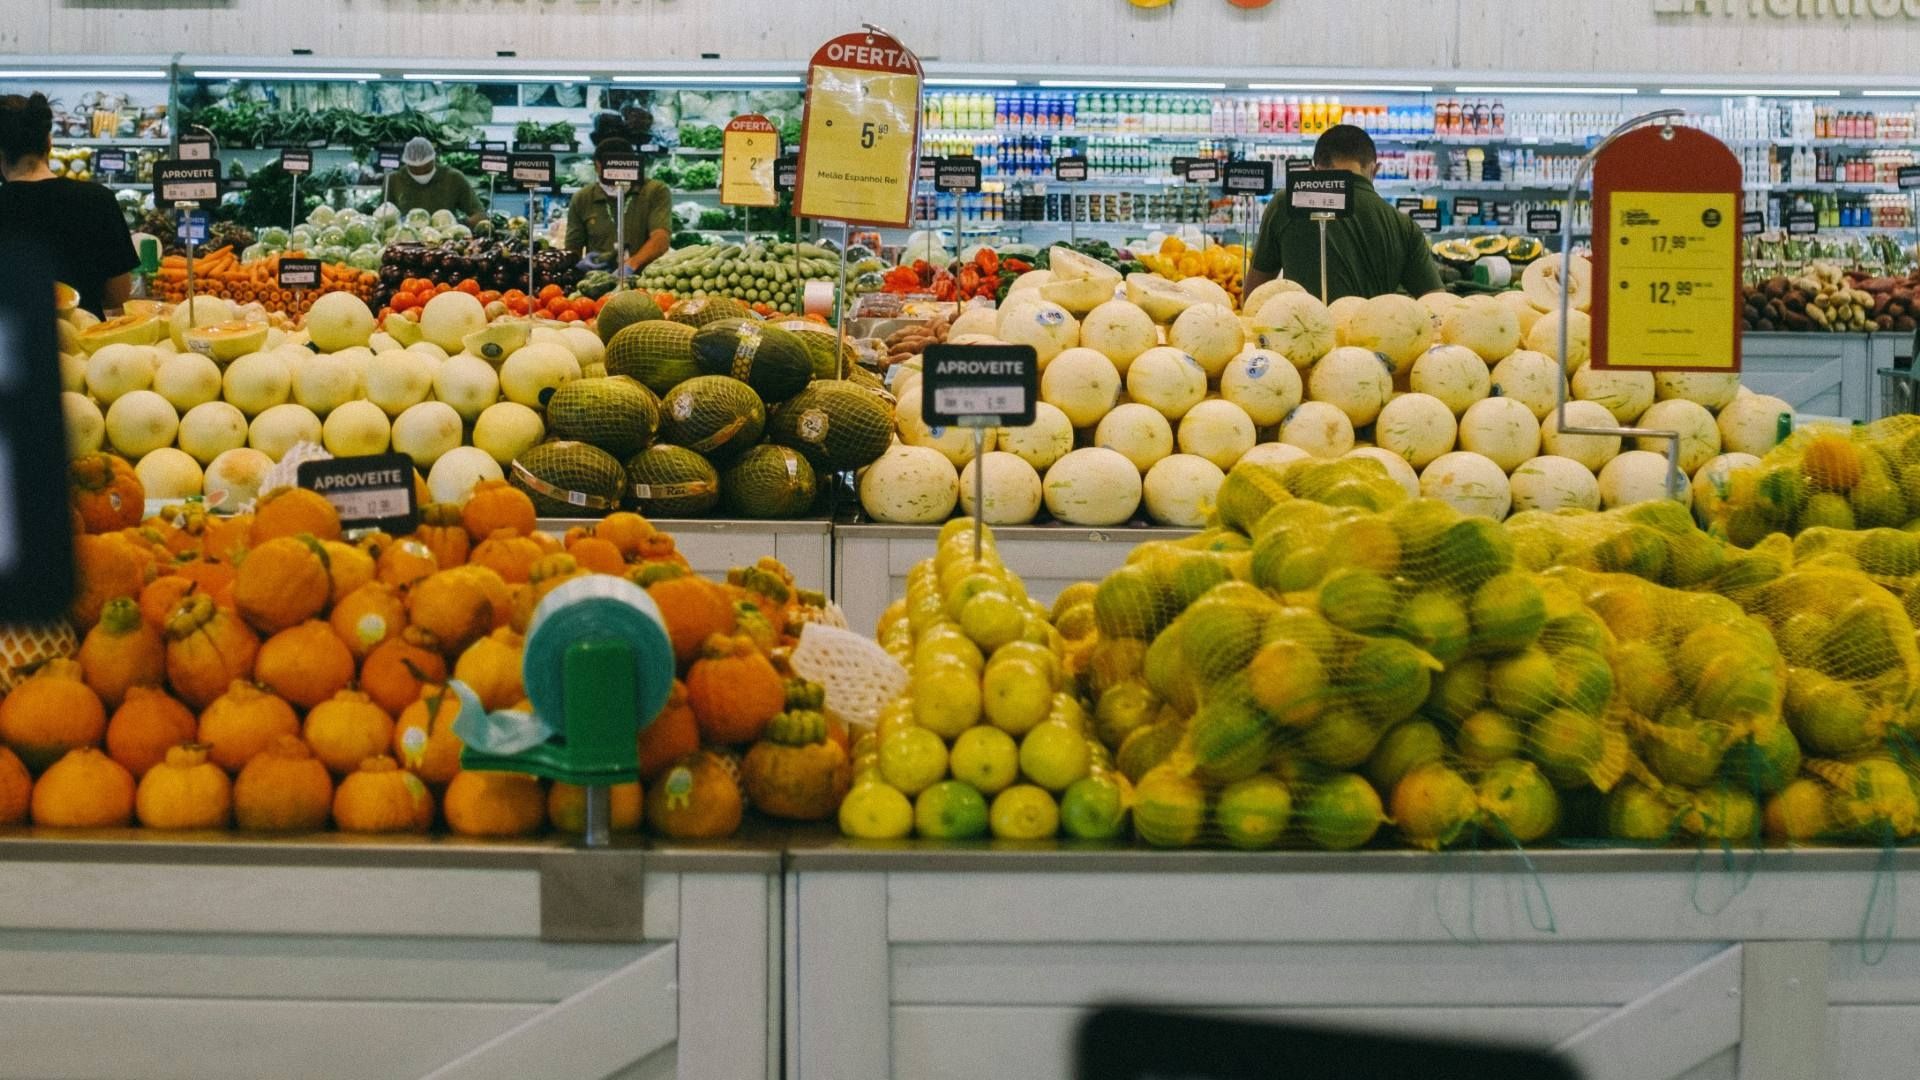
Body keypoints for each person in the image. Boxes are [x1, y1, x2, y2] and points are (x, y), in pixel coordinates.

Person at [1245, 124, 1441, 303]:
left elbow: (1254, 294)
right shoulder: (1403, 224)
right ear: (1375, 169)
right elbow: (1436, 301)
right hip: (1372, 338)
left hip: (1303, 335)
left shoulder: (1287, 203)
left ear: (1312, 169)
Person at [0, 93, 139, 318]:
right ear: (49, 142)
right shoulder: (98, 199)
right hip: (85, 342)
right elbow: (119, 295)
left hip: (11, 347)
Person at [564, 137, 671, 276]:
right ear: (597, 166)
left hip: (645, 279)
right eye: (611, 170)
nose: (616, 177)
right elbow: (572, 247)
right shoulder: (582, 198)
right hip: (597, 281)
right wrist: (578, 264)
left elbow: (661, 238)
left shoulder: (654, 191)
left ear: (632, 165)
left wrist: (632, 264)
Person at [388, 137, 484, 225]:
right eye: (415, 170)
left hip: (445, 239)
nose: (421, 173)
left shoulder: (453, 178)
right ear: (406, 164)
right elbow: (382, 215)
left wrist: (457, 225)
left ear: (434, 160)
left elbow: (480, 215)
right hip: (405, 238)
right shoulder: (394, 180)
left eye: (426, 170)